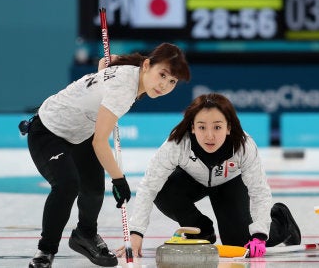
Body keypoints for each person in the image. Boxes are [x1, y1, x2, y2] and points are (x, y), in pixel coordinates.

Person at [21, 43, 191, 268]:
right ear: (147, 65)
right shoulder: (124, 87)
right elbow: (100, 142)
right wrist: (119, 179)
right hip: (49, 131)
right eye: (162, 75)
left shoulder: (133, 71)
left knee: (92, 188)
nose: (164, 85)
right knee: (67, 185)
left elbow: (104, 64)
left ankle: (85, 235)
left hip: (79, 132)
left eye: (172, 82)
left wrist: (106, 70)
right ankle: (45, 252)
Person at [117, 93, 301, 258]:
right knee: (160, 189)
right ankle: (202, 230)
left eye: (217, 127)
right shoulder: (177, 142)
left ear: (229, 127)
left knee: (239, 243)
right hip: (191, 180)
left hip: (230, 183)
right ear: (193, 128)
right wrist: (136, 234)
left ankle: (282, 220)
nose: (210, 136)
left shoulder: (244, 146)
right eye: (202, 127)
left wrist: (260, 235)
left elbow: (259, 191)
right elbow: (149, 186)